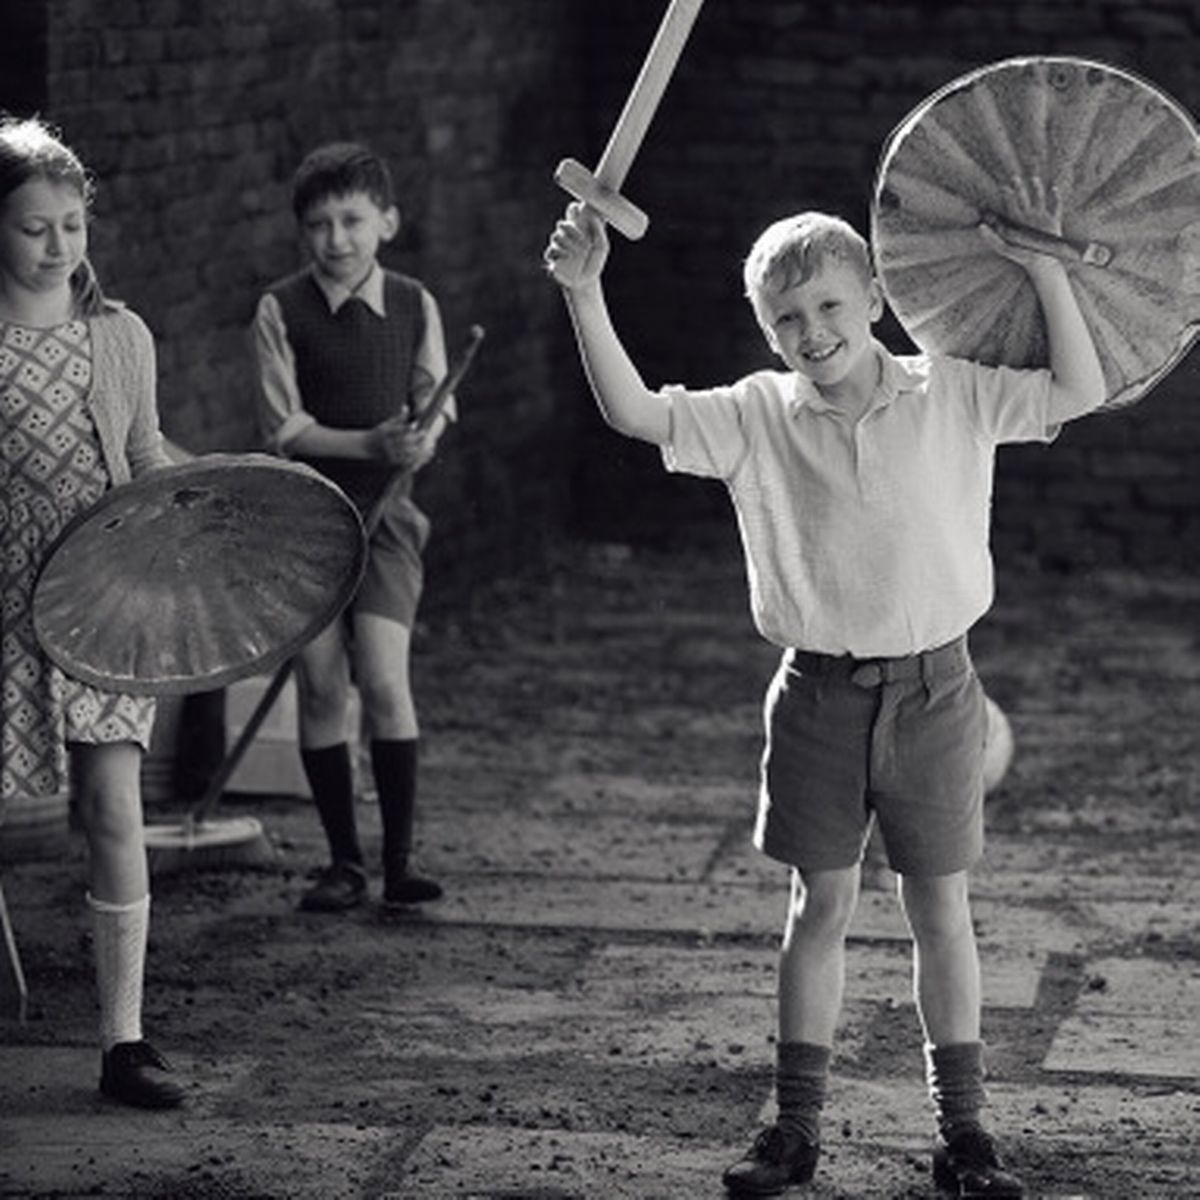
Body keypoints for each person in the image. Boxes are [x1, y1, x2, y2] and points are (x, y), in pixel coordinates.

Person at [544, 176, 1104, 1198]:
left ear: (876, 299)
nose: (812, 331)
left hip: (937, 692)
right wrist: (586, 291)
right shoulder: (758, 414)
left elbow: (1078, 391)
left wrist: (1045, 270)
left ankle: (966, 1135)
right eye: (787, 318)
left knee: (941, 909)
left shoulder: (954, 391)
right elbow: (633, 412)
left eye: (831, 305)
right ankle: (793, 1131)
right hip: (816, 698)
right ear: (766, 332)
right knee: (820, 907)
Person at [0, 115, 185, 1108]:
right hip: (3, 600)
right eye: (35, 228)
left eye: (72, 225)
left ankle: (125, 1041)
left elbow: (146, 455)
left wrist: (221, 495)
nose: (58, 246)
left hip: (107, 595)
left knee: (114, 804)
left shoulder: (120, 336)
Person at [251, 141, 453, 914]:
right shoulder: (280, 309)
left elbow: (435, 403)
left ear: (386, 222)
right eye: (319, 224)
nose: (336, 239)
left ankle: (399, 863)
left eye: (352, 220)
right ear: (302, 231)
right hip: (302, 522)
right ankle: (343, 862)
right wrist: (369, 442)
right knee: (321, 684)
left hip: (387, 519)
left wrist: (419, 439)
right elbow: (284, 429)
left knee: (386, 679)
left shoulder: (415, 303)